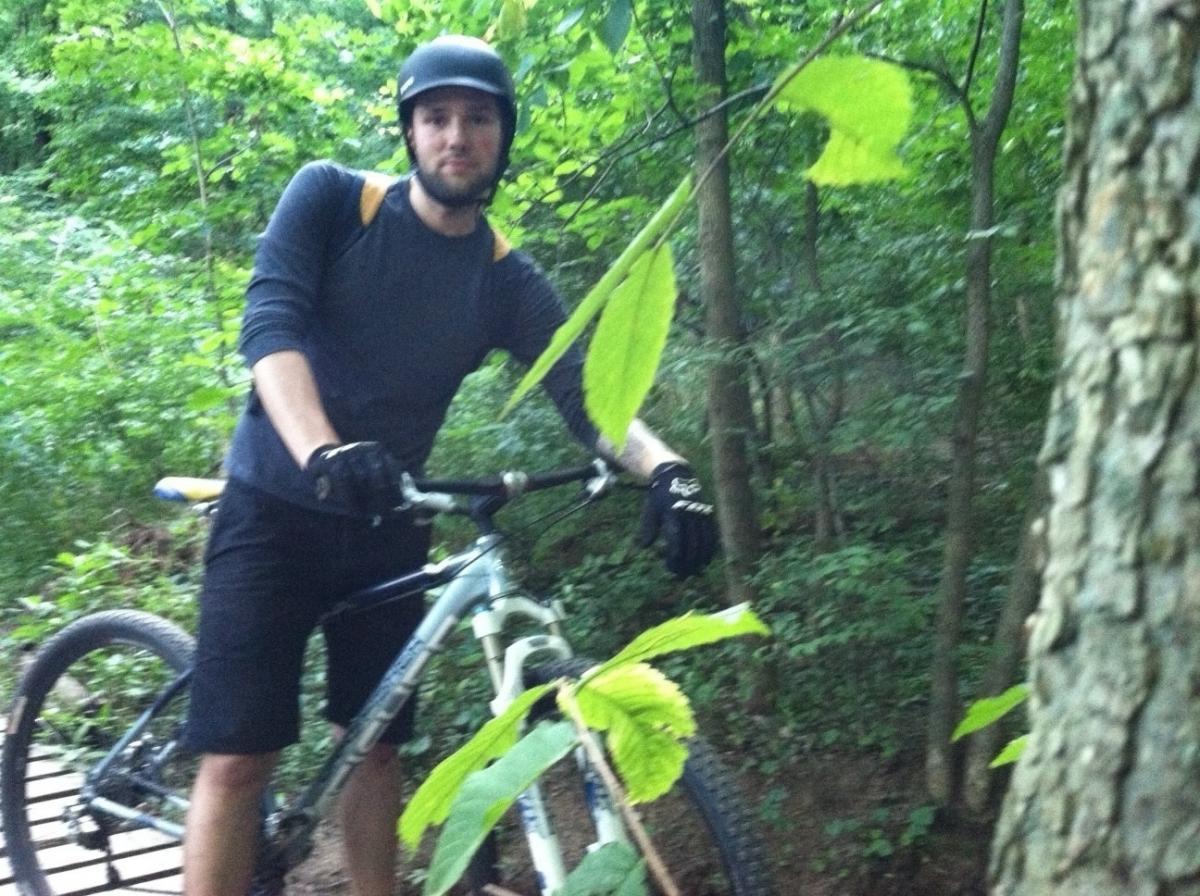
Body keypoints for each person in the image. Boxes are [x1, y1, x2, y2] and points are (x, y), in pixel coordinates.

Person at [180, 34, 718, 896]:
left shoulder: (505, 280)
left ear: (502, 138)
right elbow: (269, 331)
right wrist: (323, 448)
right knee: (241, 761)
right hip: (275, 507)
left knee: (380, 748)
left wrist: (670, 469)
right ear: (410, 131)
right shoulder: (332, 201)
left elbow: (591, 400)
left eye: (477, 119)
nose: (455, 136)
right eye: (436, 118)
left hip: (389, 522)